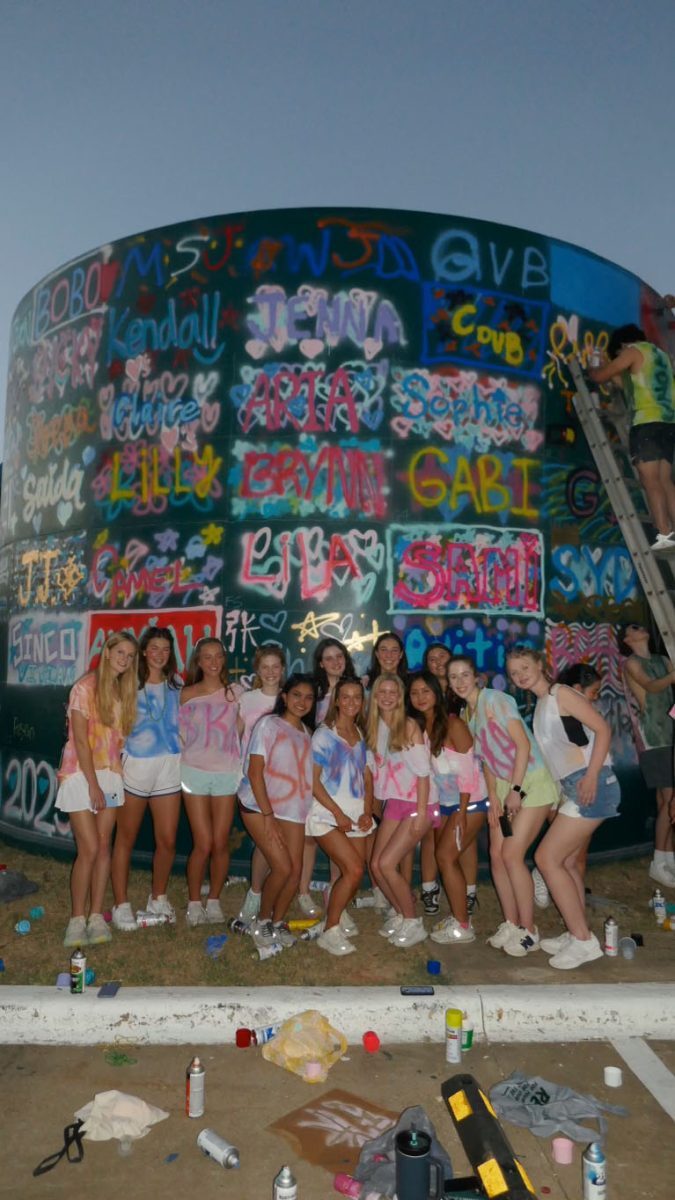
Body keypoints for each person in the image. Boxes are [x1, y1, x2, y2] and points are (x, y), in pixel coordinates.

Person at [507, 647, 619, 969]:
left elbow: (603, 729)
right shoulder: (541, 705)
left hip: (594, 785)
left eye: (525, 667)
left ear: (541, 665)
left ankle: (584, 941)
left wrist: (593, 775)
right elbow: (558, 760)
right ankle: (576, 932)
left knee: (546, 858)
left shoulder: (561, 694)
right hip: (572, 788)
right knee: (567, 862)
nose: (520, 676)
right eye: (514, 673)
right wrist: (558, 797)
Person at [447, 654, 559, 957]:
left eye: (464, 675)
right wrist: (494, 797)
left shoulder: (495, 700)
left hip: (531, 783)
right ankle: (510, 923)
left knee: (511, 854)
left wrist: (516, 791)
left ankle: (528, 929)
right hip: (500, 788)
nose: (459, 682)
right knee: (496, 856)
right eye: (453, 677)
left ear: (476, 677)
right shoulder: (468, 714)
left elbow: (522, 745)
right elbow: (484, 760)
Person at [56, 632, 138, 947]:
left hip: (111, 776)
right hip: (80, 774)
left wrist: (108, 779)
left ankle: (95, 915)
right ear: (106, 652)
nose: (125, 659)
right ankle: (76, 920)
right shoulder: (84, 687)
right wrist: (92, 784)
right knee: (88, 849)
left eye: (131, 656)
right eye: (121, 652)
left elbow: (119, 742)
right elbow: (80, 740)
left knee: (105, 848)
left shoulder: (123, 691)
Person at [408, 670, 487, 944]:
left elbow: (470, 771)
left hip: (472, 802)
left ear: (437, 694)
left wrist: (463, 812)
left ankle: (463, 926)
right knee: (446, 858)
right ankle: (459, 917)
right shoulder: (419, 729)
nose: (420, 697)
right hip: (446, 805)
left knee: (444, 857)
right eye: (414, 693)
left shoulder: (453, 724)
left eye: (425, 691)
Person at [238, 673, 317, 950]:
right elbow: (255, 771)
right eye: (296, 695)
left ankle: (278, 921)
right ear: (284, 696)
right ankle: (261, 922)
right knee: (282, 868)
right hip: (258, 806)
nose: (302, 702)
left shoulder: (308, 734)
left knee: (294, 873)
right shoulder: (269, 725)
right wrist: (268, 817)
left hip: (293, 809)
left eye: (308, 697)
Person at [111, 627, 181, 931]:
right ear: (143, 651)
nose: (160, 654)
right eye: (154, 648)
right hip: (136, 766)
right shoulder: (128, 685)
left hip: (169, 767)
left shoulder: (177, 685)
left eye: (165, 649)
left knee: (167, 840)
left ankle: (158, 897)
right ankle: (121, 904)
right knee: (125, 839)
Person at [588, 325, 675, 551]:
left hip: (646, 425)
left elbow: (599, 376)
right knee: (665, 481)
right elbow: (631, 385)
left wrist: (594, 364)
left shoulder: (633, 351)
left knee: (650, 481)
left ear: (622, 345)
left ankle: (664, 535)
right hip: (668, 424)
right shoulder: (661, 357)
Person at [367, 673, 435, 948]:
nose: (386, 696)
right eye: (381, 691)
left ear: (400, 696)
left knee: (386, 864)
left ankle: (413, 921)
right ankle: (400, 913)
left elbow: (423, 773)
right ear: (375, 696)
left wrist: (420, 815)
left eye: (392, 692)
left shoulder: (408, 726)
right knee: (376, 864)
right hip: (394, 802)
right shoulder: (375, 726)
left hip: (420, 803)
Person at [308, 678, 375, 956]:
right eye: (345, 697)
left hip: (357, 814)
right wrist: (337, 813)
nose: (351, 702)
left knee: (352, 874)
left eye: (356, 697)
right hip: (326, 814)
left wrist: (367, 811)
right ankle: (330, 930)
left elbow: (367, 778)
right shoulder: (324, 735)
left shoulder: (360, 733)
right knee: (354, 870)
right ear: (336, 700)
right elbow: (313, 782)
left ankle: (334, 916)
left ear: (362, 701)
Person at [179, 638, 242, 926]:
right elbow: (178, 734)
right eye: (207, 657)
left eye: (218, 656)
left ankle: (214, 900)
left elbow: (243, 730)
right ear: (199, 661)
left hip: (226, 774)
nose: (213, 661)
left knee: (220, 843)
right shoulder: (186, 694)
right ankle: (194, 902)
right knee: (202, 843)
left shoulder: (237, 693)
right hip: (194, 772)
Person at [297, 638, 360, 917]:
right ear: (320, 663)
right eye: (329, 657)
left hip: (345, 778)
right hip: (314, 770)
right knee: (308, 838)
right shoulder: (313, 692)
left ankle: (336, 890)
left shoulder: (355, 690)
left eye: (340, 656)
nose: (336, 661)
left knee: (342, 840)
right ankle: (302, 892)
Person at [619, 622, 675, 887]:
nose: (640, 628)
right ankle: (660, 860)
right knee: (669, 799)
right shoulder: (631, 663)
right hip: (654, 736)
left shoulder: (663, 658)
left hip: (670, 730)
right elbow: (652, 687)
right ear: (627, 639)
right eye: (633, 627)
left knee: (666, 800)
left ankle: (666, 856)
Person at [237, 644, 286, 927]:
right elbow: (236, 740)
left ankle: (268, 895)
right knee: (265, 842)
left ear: (282, 669)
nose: (270, 672)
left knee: (274, 842)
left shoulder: (291, 698)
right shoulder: (247, 700)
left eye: (275, 667)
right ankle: (255, 893)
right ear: (257, 670)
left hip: (284, 786)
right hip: (253, 782)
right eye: (264, 667)